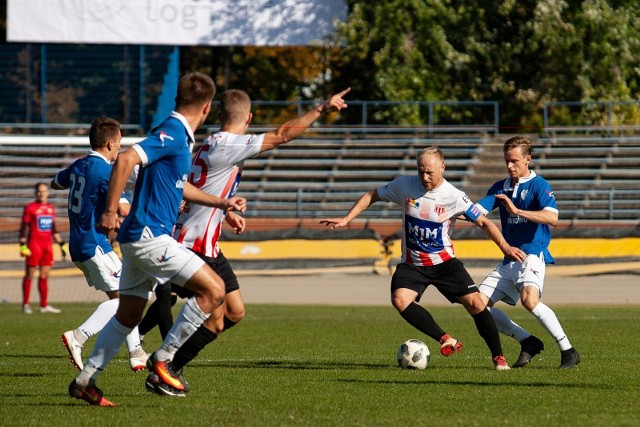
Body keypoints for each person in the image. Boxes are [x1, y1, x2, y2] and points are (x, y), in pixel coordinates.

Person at [134, 87, 351, 388]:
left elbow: (199, 188)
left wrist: (226, 212)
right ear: (248, 118)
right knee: (210, 310)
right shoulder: (229, 144)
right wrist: (321, 108)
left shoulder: (207, 144)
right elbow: (283, 134)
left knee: (234, 312)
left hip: (206, 241)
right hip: (195, 243)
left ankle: (166, 363)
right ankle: (165, 364)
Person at [67, 72, 247, 407]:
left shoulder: (180, 135)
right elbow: (125, 158)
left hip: (140, 238)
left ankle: (85, 381)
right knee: (215, 290)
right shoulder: (175, 131)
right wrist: (109, 211)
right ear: (207, 107)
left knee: (128, 315)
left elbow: (180, 185)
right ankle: (164, 358)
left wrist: (221, 203)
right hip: (151, 236)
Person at [320, 146, 526, 370]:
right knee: (400, 300)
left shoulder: (455, 197)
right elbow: (373, 195)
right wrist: (347, 218)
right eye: (421, 172)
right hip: (413, 264)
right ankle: (445, 338)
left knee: (477, 303)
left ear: (443, 168)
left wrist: (505, 247)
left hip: (444, 264)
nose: (425, 178)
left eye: (430, 172)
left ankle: (498, 357)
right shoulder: (404, 185)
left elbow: (484, 222)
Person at [51, 117, 148, 373]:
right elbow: (125, 210)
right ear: (108, 144)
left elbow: (55, 182)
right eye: (118, 144)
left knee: (123, 297)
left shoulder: (79, 165)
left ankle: (136, 352)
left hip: (79, 245)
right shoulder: (107, 172)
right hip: (95, 244)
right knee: (130, 297)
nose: (119, 149)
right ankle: (78, 336)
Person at [475, 136, 580, 369]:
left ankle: (568, 350)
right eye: (507, 161)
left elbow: (552, 218)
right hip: (510, 257)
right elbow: (475, 211)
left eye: (514, 161)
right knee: (477, 304)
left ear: (527, 160)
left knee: (530, 300)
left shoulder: (539, 185)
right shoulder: (501, 187)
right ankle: (528, 341)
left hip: (532, 252)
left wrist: (517, 210)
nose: (510, 166)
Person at [19, 182, 66, 314]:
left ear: (48, 193)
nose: (42, 193)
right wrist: (22, 245)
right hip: (34, 244)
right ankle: (26, 305)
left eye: (44, 191)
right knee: (30, 274)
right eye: (39, 191)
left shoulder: (51, 208)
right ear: (36, 193)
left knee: (44, 275)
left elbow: (53, 229)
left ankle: (44, 305)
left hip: (47, 245)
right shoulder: (30, 208)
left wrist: (61, 245)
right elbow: (24, 227)